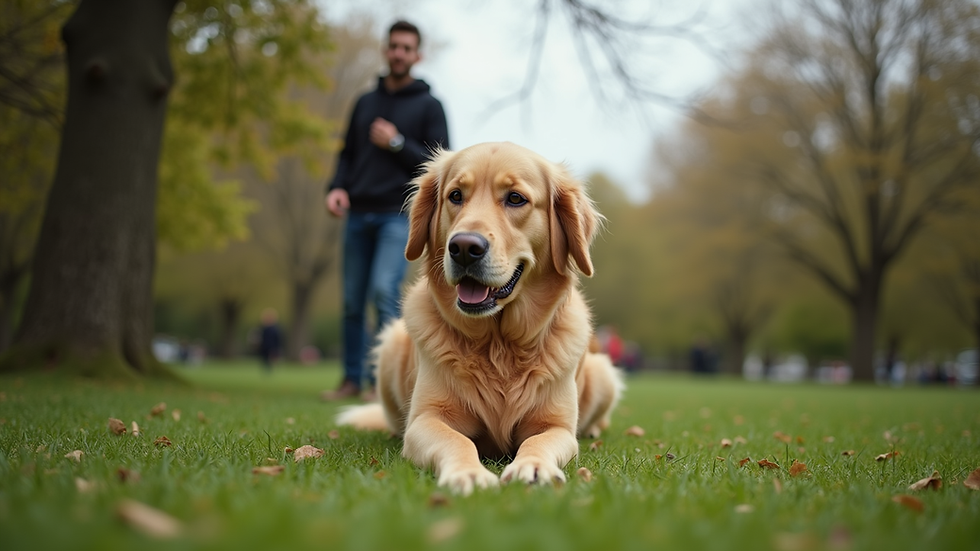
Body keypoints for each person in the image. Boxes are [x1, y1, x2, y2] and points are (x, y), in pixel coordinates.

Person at [321, 20, 450, 401]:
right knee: (350, 302)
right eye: (394, 46)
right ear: (386, 50)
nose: (399, 53)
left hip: (398, 214)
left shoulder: (430, 106)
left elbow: (440, 167)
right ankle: (350, 380)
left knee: (383, 291)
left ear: (417, 56)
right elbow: (346, 154)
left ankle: (386, 384)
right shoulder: (365, 102)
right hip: (358, 213)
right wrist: (337, 188)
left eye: (407, 48)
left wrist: (396, 142)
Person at [258, 308, 283, 373]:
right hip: (265, 347)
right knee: (265, 360)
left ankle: (271, 370)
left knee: (272, 360)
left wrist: (276, 348)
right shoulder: (263, 329)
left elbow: (277, 339)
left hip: (272, 347)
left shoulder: (275, 329)